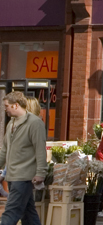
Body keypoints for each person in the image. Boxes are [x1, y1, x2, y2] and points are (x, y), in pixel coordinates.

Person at [0, 92, 47, 225]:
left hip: (24, 176)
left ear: (15, 105)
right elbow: (4, 150)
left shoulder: (34, 123)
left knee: (11, 211)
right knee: (28, 212)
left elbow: (40, 149)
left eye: (7, 106)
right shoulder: (11, 124)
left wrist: (40, 173)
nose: (5, 108)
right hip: (12, 175)